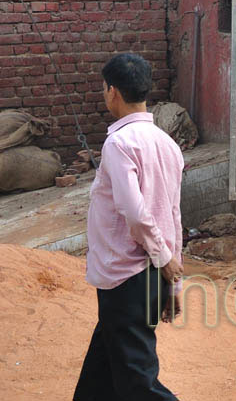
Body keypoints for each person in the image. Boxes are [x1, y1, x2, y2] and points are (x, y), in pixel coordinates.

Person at [75, 53, 184, 401]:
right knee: (101, 374)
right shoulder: (168, 145)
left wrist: (165, 260)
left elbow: (134, 213)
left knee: (139, 382)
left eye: (104, 89)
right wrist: (173, 280)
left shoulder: (119, 144)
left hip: (127, 277)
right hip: (145, 276)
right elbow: (173, 216)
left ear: (113, 92)